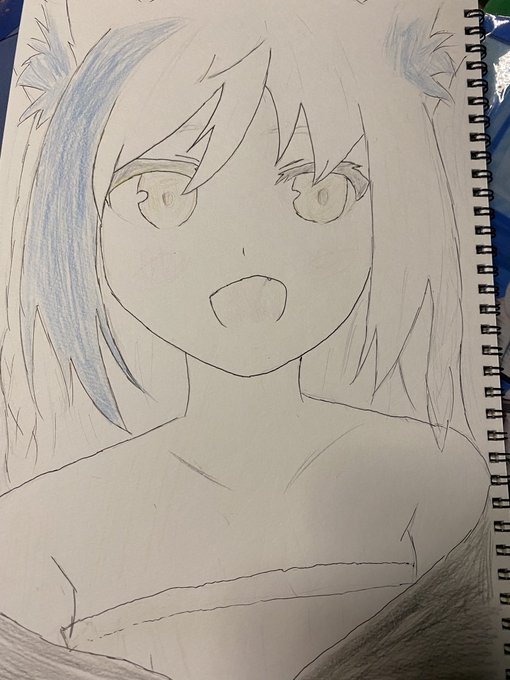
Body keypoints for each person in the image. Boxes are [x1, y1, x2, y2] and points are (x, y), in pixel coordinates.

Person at [0, 1, 490, 678]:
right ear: (81, 223)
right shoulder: (42, 531)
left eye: (321, 192)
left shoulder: (439, 480)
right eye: (163, 195)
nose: (248, 248)